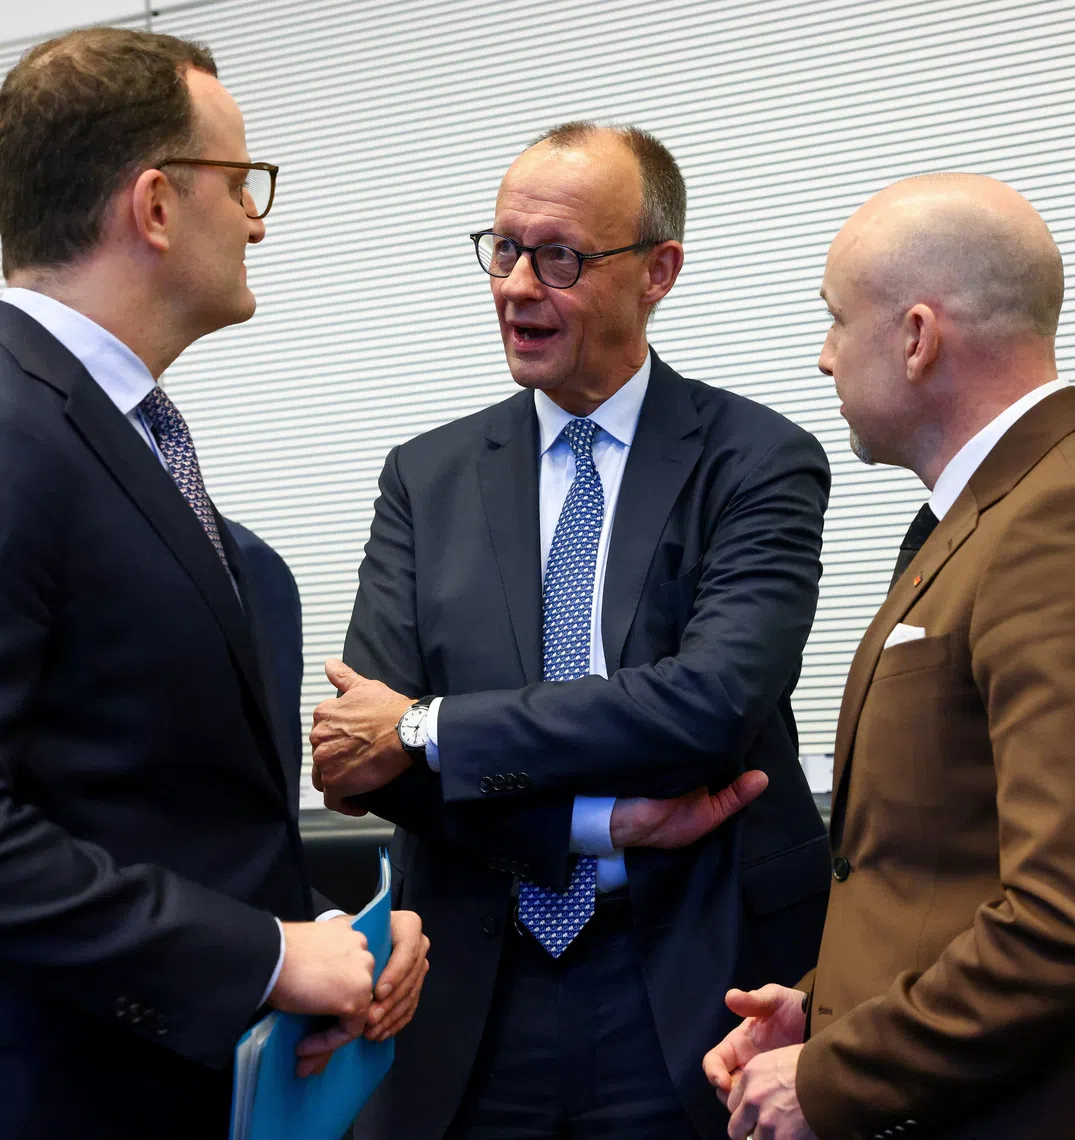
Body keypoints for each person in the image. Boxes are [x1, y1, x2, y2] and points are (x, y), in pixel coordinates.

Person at [309, 121, 833, 1140]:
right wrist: (591, 823)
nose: (515, 285)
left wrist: (433, 727)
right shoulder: (425, 477)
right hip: (466, 992)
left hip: (700, 992)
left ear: (658, 271)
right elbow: (357, 760)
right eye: (503, 249)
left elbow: (708, 709)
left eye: (560, 258)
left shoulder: (757, 461)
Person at [0, 28, 427, 1139]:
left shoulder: (111, 434)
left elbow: (162, 812)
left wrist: (342, 946)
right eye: (241, 184)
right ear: (153, 206)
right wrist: (269, 957)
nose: (258, 218)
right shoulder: (11, 427)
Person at [703, 174, 1075, 1140]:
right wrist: (823, 1010)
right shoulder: (994, 514)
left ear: (915, 336)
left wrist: (838, 1077)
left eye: (834, 321)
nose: (822, 360)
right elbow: (941, 867)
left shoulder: (1066, 520)